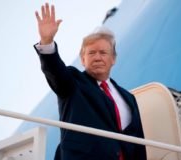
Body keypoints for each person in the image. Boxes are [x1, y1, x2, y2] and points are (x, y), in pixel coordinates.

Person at [34, 3, 146, 160]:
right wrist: (47, 42)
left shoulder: (129, 98)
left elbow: (138, 142)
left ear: (113, 59)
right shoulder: (73, 82)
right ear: (82, 59)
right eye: (91, 53)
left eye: (103, 52)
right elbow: (55, 71)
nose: (98, 57)